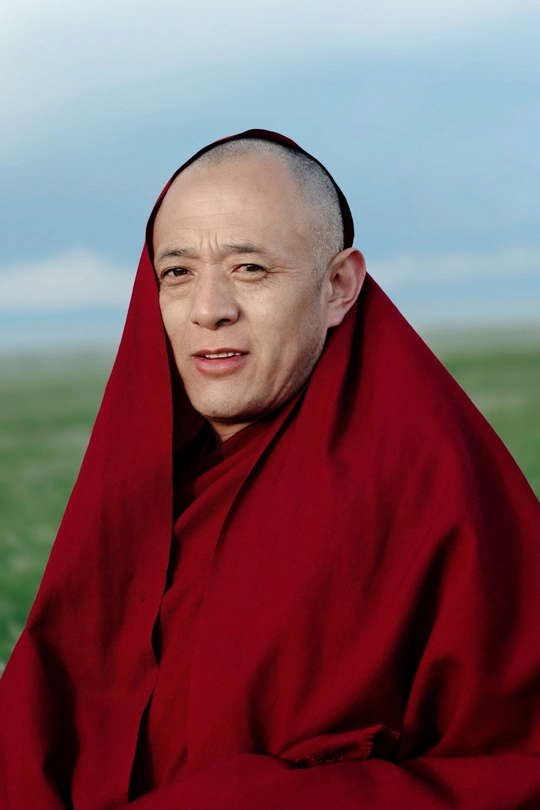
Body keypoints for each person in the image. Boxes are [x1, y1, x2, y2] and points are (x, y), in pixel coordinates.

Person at [1, 129, 539, 809]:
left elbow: (517, 767)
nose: (209, 310)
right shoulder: (141, 486)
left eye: (250, 268)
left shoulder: (434, 486)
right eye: (177, 273)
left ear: (338, 286)